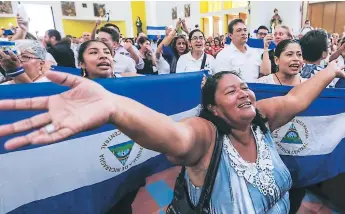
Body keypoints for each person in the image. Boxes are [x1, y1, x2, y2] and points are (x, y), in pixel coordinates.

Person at [0, 60, 344, 214]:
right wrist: (114, 106)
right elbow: (171, 136)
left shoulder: (261, 120)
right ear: (214, 108)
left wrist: (332, 68)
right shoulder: (204, 135)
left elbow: (297, 99)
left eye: (245, 88)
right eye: (230, 92)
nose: (244, 94)